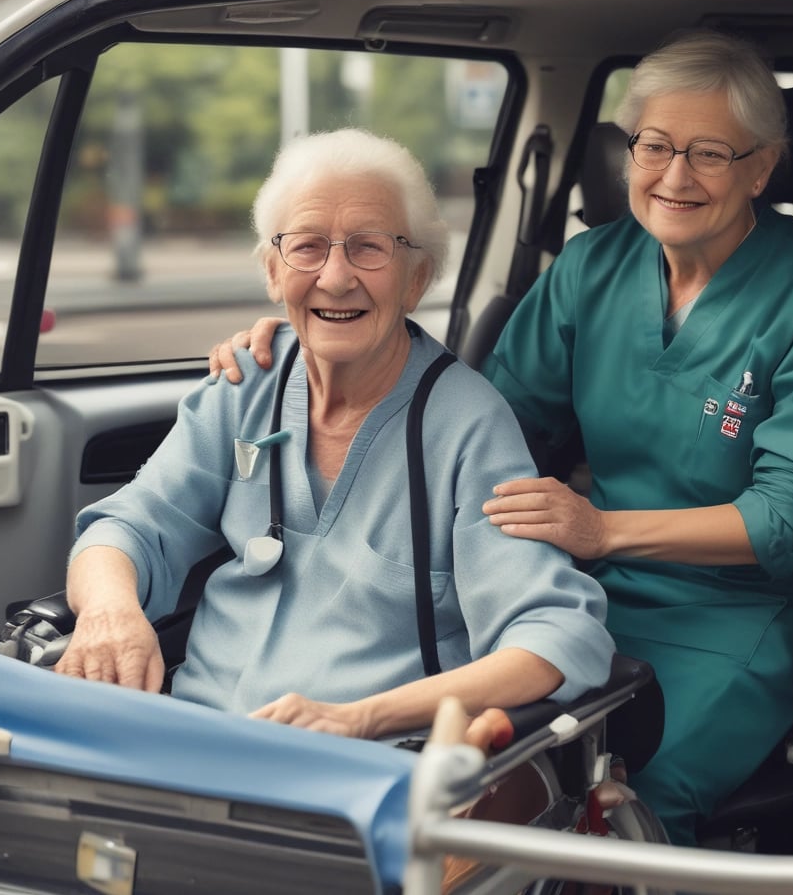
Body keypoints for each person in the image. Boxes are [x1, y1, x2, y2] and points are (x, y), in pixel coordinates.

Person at [208, 30, 793, 845]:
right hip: (573, 589)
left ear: (763, 167)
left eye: (709, 154)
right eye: (653, 146)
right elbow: (482, 417)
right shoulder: (592, 267)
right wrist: (315, 338)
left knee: (614, 799)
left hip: (735, 615)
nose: (673, 176)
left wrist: (602, 528)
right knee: (463, 780)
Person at [56, 127, 615, 749]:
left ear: (416, 278)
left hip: (357, 772)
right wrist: (111, 615)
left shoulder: (468, 426)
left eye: (369, 248)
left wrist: (361, 718)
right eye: (308, 247)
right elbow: (128, 527)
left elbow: (556, 637)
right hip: (192, 737)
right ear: (274, 270)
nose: (336, 276)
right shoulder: (246, 383)